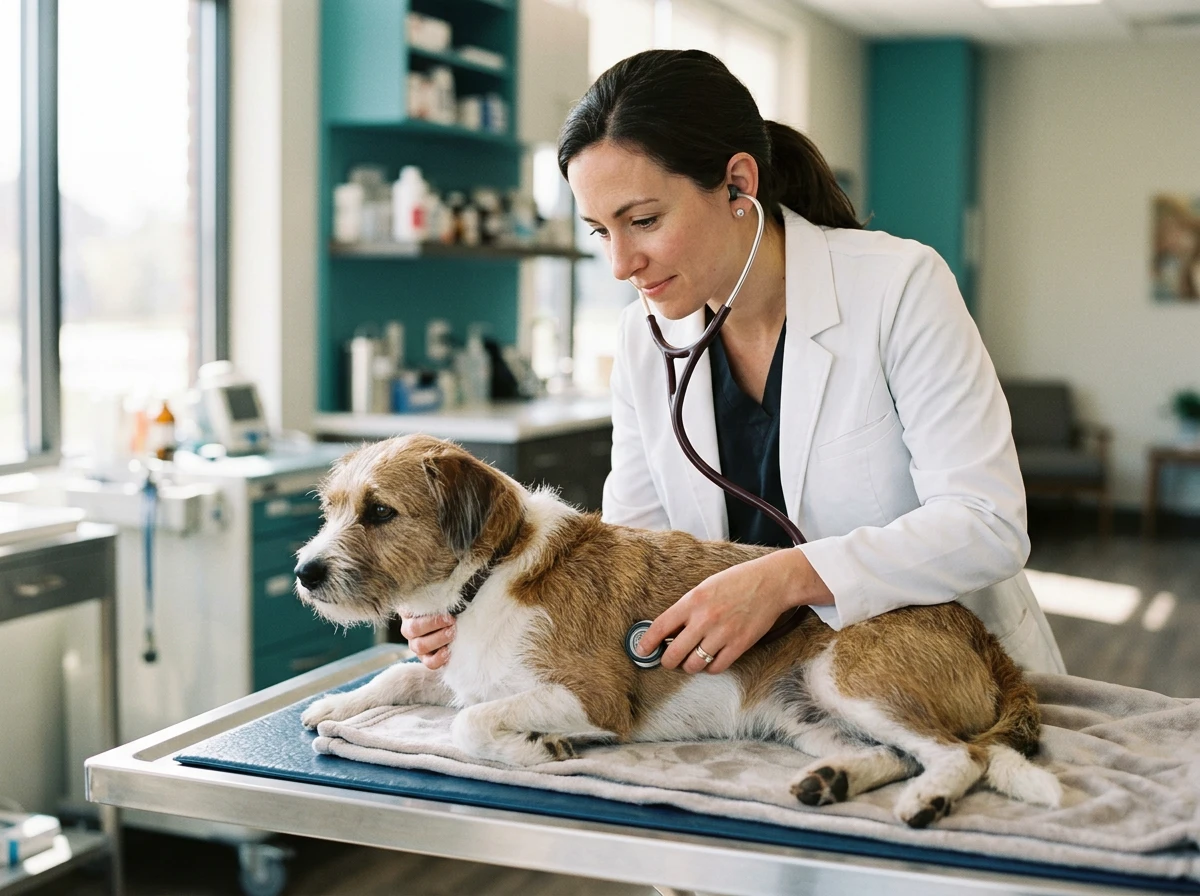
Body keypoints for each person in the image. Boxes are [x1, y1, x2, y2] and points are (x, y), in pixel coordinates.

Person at [402, 48, 1066, 677]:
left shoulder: (898, 286)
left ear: (737, 185)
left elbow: (987, 524)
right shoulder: (644, 339)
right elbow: (631, 551)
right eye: (601, 231)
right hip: (760, 691)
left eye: (644, 220)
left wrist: (784, 579)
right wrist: (484, 607)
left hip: (948, 675)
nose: (620, 264)